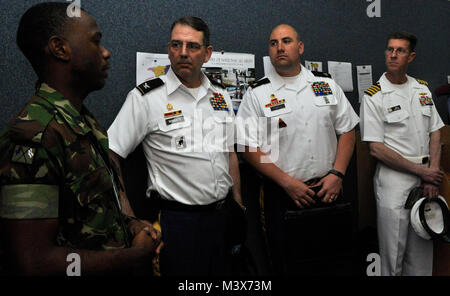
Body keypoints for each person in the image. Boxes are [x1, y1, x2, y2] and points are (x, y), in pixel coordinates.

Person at [0, 2, 161, 275]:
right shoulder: (32, 136)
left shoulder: (82, 121)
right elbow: (34, 261)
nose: (106, 52)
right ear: (60, 48)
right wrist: (131, 257)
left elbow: (92, 212)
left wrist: (131, 225)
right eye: (95, 42)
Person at [108, 16, 243, 276]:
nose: (182, 53)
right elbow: (109, 155)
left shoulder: (221, 95)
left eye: (192, 46)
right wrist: (130, 220)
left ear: (207, 53)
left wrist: (238, 205)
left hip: (222, 217)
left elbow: (229, 153)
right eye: (175, 45)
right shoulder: (145, 98)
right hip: (178, 223)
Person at [235, 24, 359, 275]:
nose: (279, 47)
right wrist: (287, 183)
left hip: (329, 191)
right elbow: (246, 146)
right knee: (286, 266)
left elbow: (348, 129)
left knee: (334, 265)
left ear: (300, 47)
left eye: (286, 41)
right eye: (273, 43)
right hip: (282, 195)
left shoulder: (325, 84)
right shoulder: (257, 93)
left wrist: (337, 174)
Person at [360, 31, 444, 276]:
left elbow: (436, 132)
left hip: (426, 178)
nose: (393, 55)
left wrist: (432, 173)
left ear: (411, 56)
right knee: (392, 256)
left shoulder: (422, 90)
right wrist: (423, 172)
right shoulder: (374, 96)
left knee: (422, 256)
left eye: (400, 50)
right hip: (394, 180)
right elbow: (375, 148)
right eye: (390, 49)